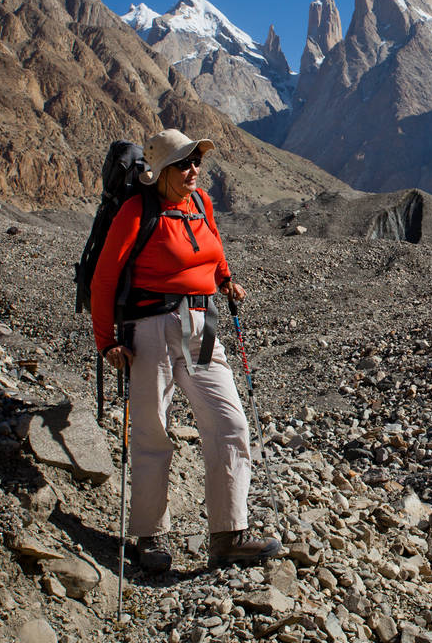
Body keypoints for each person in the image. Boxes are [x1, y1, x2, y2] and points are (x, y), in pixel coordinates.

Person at [91, 128, 280, 573]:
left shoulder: (201, 204)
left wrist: (226, 278)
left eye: (197, 161)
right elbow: (103, 280)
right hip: (150, 329)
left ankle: (229, 534)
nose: (194, 170)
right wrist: (108, 342)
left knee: (230, 419)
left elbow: (212, 251)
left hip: (203, 322)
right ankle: (149, 536)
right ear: (160, 170)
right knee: (153, 431)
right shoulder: (137, 211)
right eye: (184, 163)